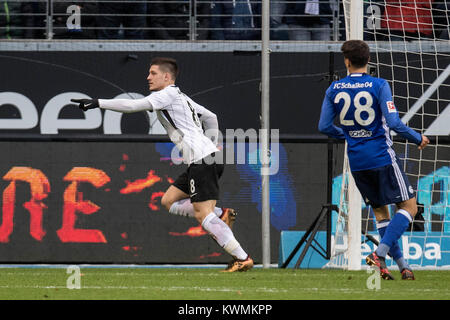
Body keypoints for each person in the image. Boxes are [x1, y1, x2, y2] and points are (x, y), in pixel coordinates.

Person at [71, 57, 254, 272]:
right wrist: (212, 146)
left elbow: (132, 105)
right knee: (168, 201)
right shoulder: (180, 96)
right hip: (206, 158)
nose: (148, 77)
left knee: (203, 214)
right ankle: (221, 214)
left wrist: (98, 102)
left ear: (167, 77)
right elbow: (211, 117)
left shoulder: (166, 94)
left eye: (153, 73)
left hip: (202, 160)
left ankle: (242, 258)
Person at [318, 40, 430, 280]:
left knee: (381, 214)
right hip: (382, 157)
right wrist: (417, 137)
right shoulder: (379, 85)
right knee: (409, 207)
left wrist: (348, 135)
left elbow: (324, 126)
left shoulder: (333, 89)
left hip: (357, 162)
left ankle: (402, 267)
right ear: (368, 60)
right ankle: (379, 253)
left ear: (347, 62)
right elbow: (393, 123)